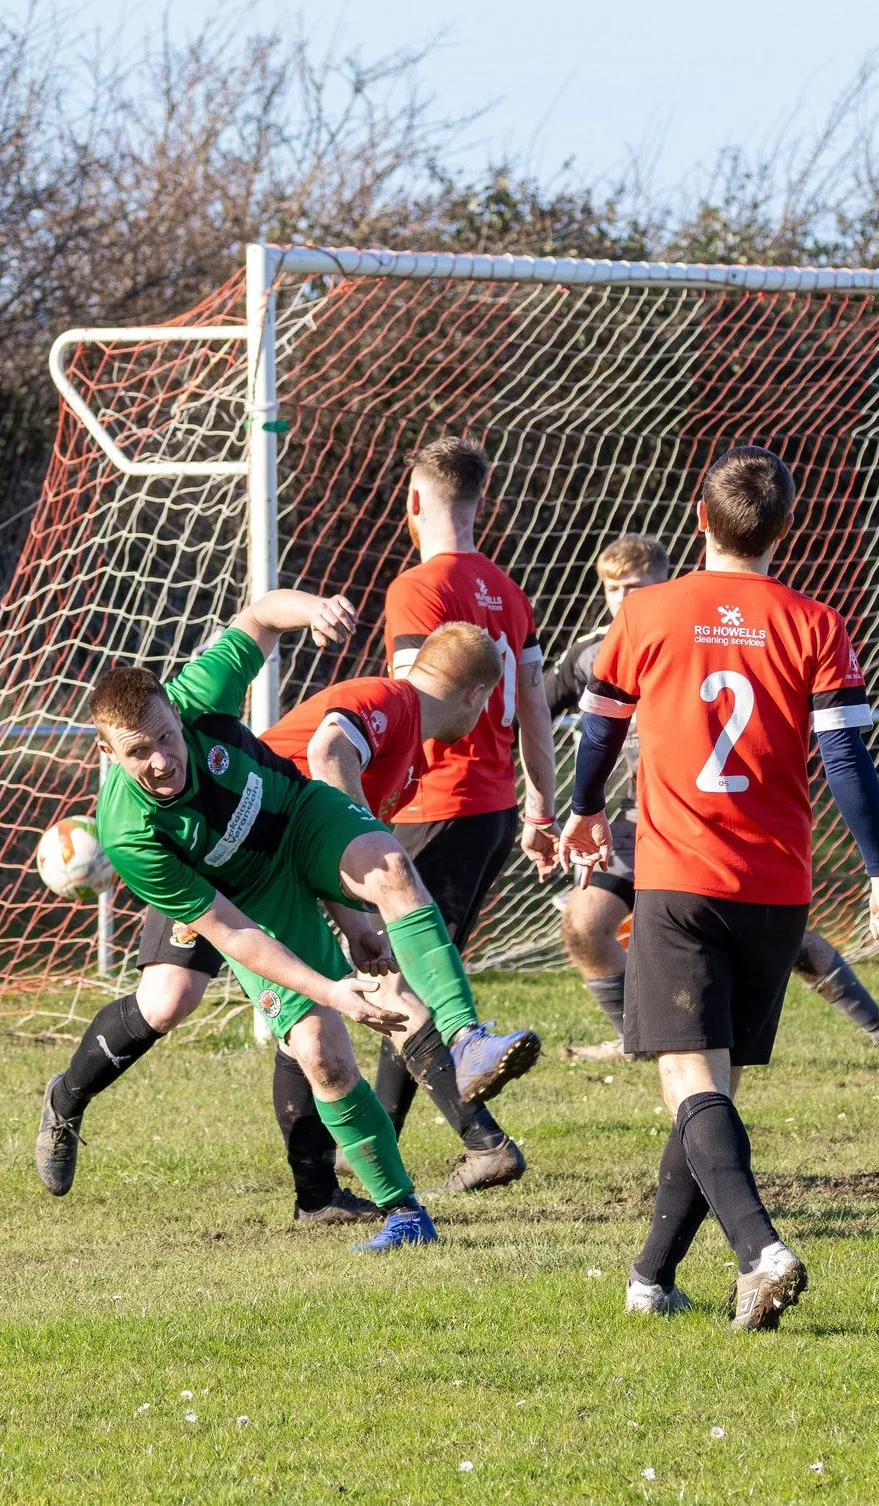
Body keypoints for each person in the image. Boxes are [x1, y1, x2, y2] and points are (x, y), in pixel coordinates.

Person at [29, 590, 519, 1251]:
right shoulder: (130, 833)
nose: (162, 761)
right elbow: (231, 933)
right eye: (139, 753)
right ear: (106, 752)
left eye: (167, 739)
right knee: (313, 1048)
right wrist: (331, 990)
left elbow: (258, 617)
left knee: (392, 868)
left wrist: (313, 609)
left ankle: (462, 1041)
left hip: (298, 821)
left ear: (177, 712)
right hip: (248, 896)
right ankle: (402, 1213)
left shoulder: (199, 693)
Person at [561, 446, 879, 1330]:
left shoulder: (645, 614)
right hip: (776, 890)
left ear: (700, 518)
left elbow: (599, 728)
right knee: (710, 1087)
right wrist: (878, 872)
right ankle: (650, 1280)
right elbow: (846, 760)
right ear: (782, 528)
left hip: (679, 880)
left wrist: (584, 808)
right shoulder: (817, 623)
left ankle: (761, 1251)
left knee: (690, 1080)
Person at [545, 535, 879, 1082]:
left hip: (727, 823)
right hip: (640, 821)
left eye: (634, 588)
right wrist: (549, 801)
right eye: (612, 589)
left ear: (664, 579)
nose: (622, 599)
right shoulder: (594, 650)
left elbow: (840, 754)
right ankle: (638, 1038)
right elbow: (535, 712)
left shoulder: (693, 623)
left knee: (785, 945)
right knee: (583, 922)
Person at [255, 622, 506, 1217]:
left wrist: (351, 916)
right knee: (165, 1000)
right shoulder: (389, 699)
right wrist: (360, 847)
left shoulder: (410, 736)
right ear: (476, 696)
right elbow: (326, 752)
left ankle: (325, 1197)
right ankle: (66, 1102)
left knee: (319, 1022)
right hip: (239, 860)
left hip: (281, 868)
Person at [371, 436, 558, 1191]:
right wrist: (543, 802)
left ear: (413, 503)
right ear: (485, 506)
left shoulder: (415, 590)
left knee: (400, 979)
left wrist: (373, 807)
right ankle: (392, 1146)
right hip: (492, 811)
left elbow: (408, 706)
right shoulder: (508, 591)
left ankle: (469, 1144)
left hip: (433, 806)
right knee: (409, 977)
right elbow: (537, 707)